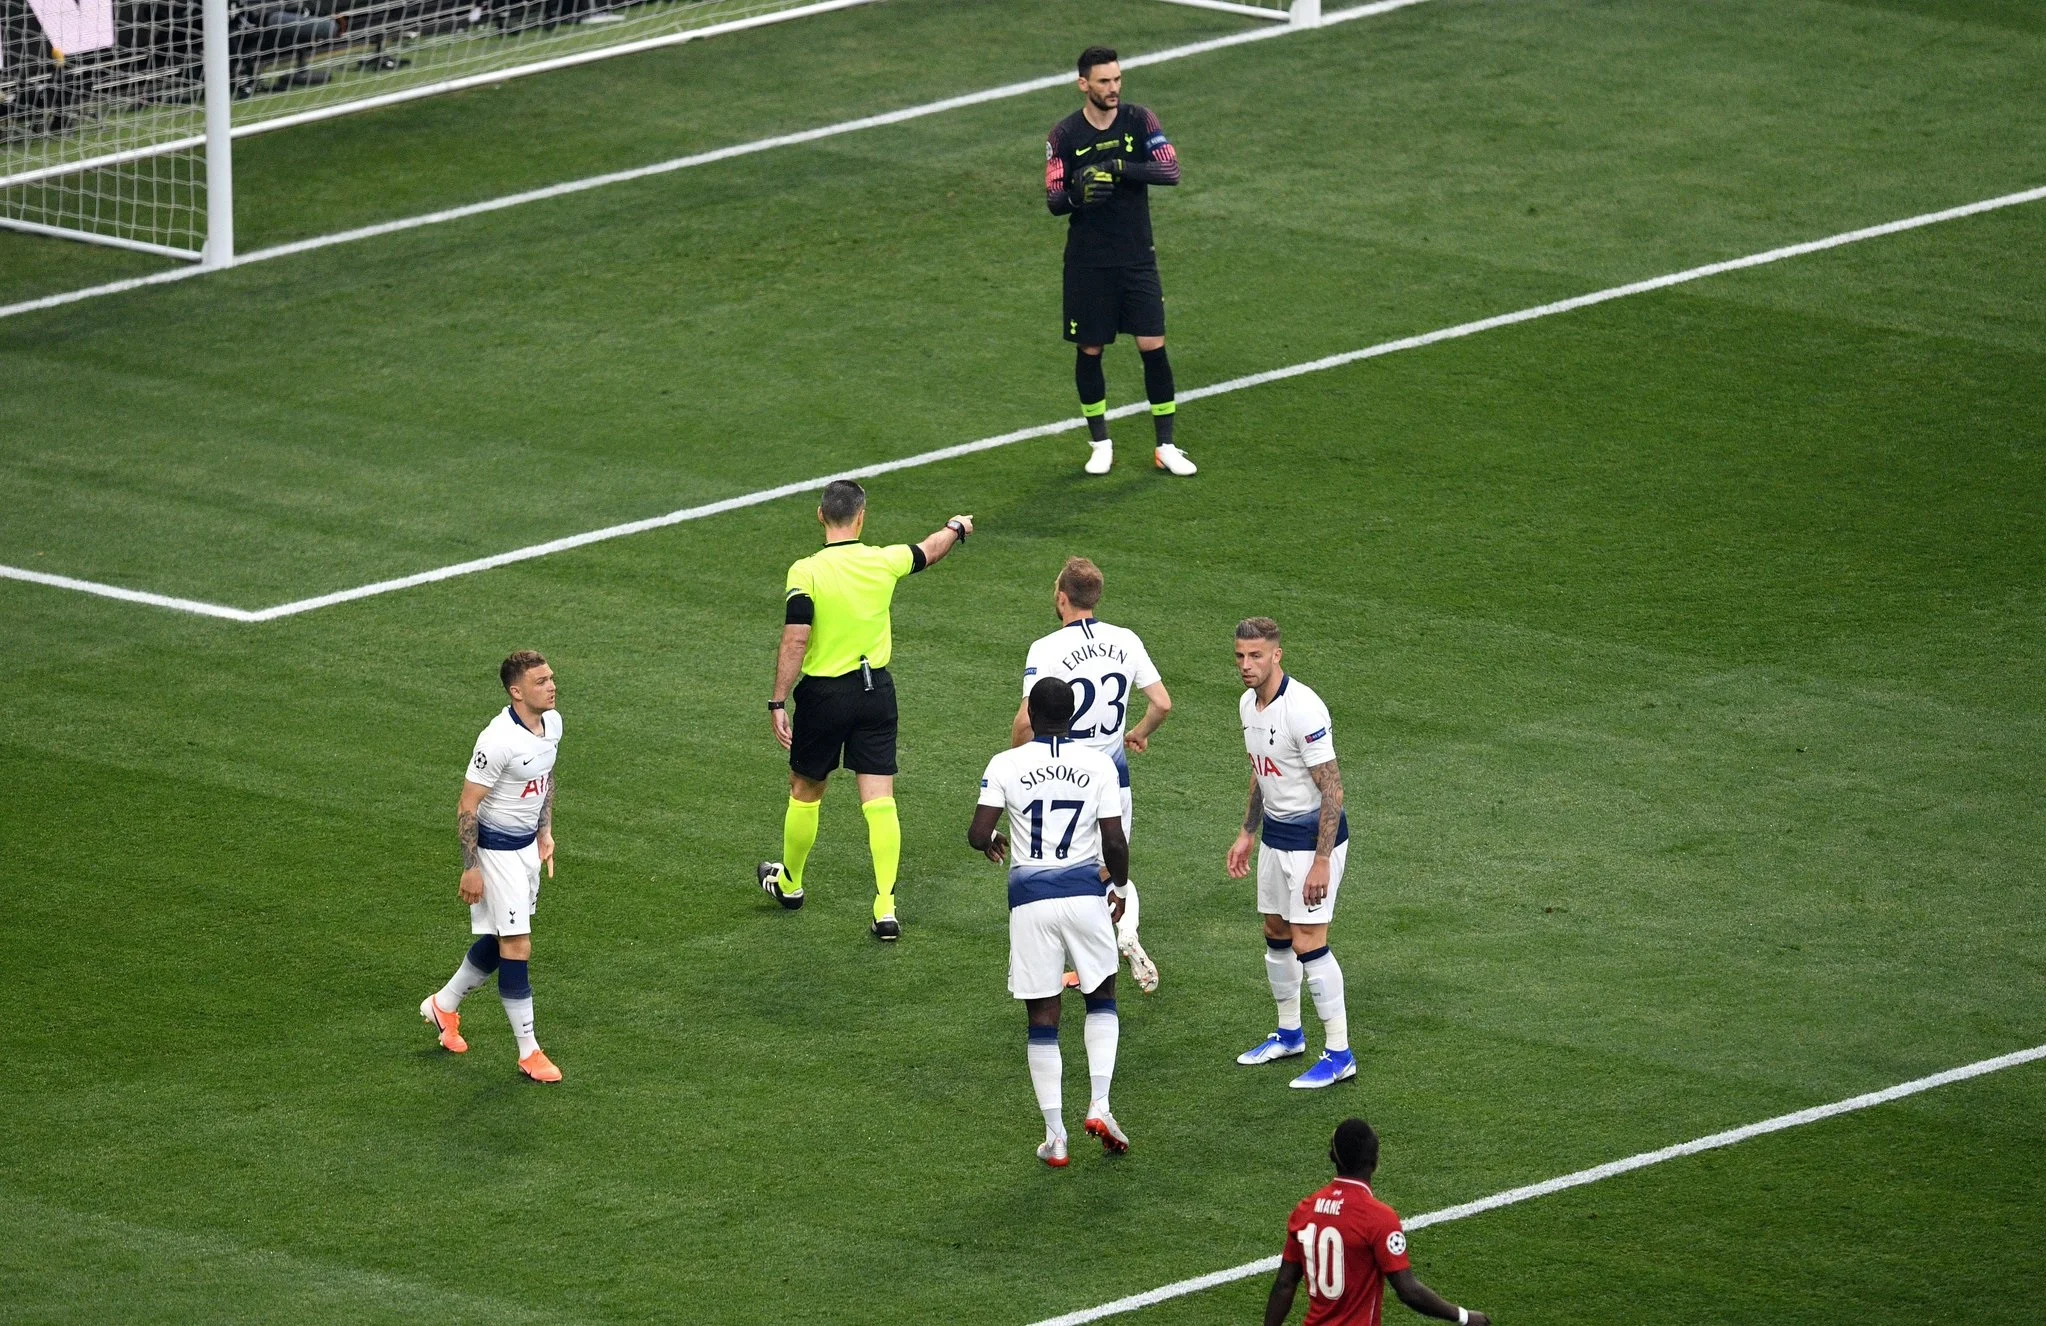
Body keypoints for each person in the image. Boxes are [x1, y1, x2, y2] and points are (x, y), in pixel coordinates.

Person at [759, 480, 974, 940]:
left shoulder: (806, 571)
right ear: (862, 517)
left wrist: (778, 699)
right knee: (879, 800)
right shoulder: (883, 560)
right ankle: (885, 907)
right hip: (875, 693)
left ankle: (790, 884)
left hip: (823, 697)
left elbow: (796, 638)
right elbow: (929, 550)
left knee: (805, 789)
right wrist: (956, 527)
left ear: (821, 515)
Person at [969, 678, 1131, 1167]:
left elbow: (977, 833)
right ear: (1073, 715)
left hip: (1030, 901)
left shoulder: (1005, 763)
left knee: (1042, 1015)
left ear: (1032, 717)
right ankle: (1099, 1104)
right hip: (1084, 897)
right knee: (1101, 996)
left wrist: (993, 840)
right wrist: (1120, 890)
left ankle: (1055, 1137)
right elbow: (1114, 842)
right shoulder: (1098, 765)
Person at [1011, 556, 1172, 992]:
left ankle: (1086, 960)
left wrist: (1016, 762)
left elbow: (1026, 721)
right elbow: (1162, 703)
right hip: (1112, 777)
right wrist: (1138, 733)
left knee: (1065, 872)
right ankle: (1121, 935)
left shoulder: (1046, 648)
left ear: (1062, 597)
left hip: (1061, 778)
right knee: (1107, 868)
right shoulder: (1126, 640)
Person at [1045, 45, 1197, 478]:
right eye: (1104, 81)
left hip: (1136, 257)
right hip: (1088, 262)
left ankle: (1165, 446)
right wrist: (1078, 195)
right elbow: (1054, 199)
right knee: (1090, 349)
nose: (1113, 88)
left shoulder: (1140, 120)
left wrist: (1117, 166)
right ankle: (1100, 443)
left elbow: (1169, 171)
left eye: (1117, 79)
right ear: (1083, 84)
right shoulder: (1064, 135)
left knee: (1152, 345)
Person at [419, 650, 564, 1083]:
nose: (552, 686)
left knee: (502, 937)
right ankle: (529, 1052)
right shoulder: (496, 740)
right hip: (495, 853)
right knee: (517, 945)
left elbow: (545, 778)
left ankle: (443, 1005)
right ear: (516, 691)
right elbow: (468, 805)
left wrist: (544, 831)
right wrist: (472, 867)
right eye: (541, 681)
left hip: (525, 850)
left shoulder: (552, 723)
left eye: (551, 678)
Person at [1226, 618, 1354, 1089]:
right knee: (1276, 932)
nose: (1246, 665)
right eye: (1240, 655)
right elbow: (1263, 772)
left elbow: (1333, 790)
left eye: (1256, 655)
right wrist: (1247, 831)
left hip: (1312, 843)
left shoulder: (1303, 710)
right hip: (1275, 838)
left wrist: (1321, 861)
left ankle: (1339, 1054)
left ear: (1276, 655)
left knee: (1308, 940)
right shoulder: (1248, 704)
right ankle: (1289, 1034)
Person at [1267, 1119, 1491, 1326]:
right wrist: (1464, 1316)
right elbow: (1408, 1291)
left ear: (1332, 1157)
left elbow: (1284, 1284)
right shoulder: (1378, 1217)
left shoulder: (1305, 1209)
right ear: (1375, 1161)